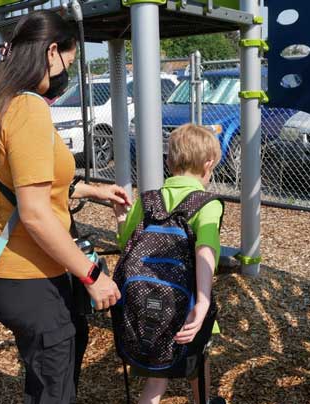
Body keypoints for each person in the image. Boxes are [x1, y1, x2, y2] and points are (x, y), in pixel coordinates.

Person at [0, 11, 130, 404]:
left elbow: (18, 181)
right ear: (51, 52)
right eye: (69, 64)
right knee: (54, 384)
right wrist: (92, 275)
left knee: (55, 364)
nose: (65, 74)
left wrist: (90, 190)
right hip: (27, 269)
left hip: (6, 267)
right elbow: (36, 213)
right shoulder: (28, 108)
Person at [114, 124, 226, 404]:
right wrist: (202, 302)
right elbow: (205, 251)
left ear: (169, 161)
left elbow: (125, 244)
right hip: (186, 301)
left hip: (145, 301)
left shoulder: (149, 199)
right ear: (208, 164)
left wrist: (120, 218)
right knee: (198, 361)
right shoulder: (207, 204)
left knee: (156, 376)